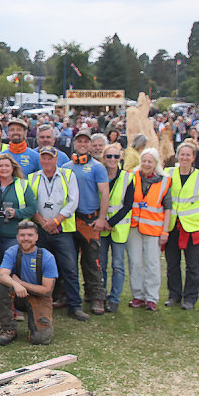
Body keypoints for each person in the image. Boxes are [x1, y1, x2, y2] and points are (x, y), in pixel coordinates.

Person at [28, 147, 86, 320]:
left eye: (50, 158)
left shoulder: (68, 175)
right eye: (43, 158)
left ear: (56, 159)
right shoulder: (33, 178)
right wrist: (42, 222)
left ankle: (74, 305)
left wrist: (56, 221)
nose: (46, 161)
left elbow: (73, 202)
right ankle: (38, 303)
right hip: (40, 230)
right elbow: (31, 203)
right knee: (38, 268)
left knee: (69, 268)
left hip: (61, 230)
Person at [61, 127, 109, 315]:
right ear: (74, 144)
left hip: (89, 221)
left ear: (90, 145)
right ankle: (67, 294)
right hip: (70, 220)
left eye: (85, 141)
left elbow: (104, 193)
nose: (82, 144)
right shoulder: (66, 167)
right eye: (79, 141)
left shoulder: (97, 167)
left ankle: (96, 296)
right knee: (68, 261)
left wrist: (101, 218)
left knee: (92, 262)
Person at [0, 221, 58, 346]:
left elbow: (47, 290)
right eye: (22, 235)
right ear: (17, 237)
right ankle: (8, 329)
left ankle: (36, 325)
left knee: (41, 340)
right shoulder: (12, 252)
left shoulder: (47, 257)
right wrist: (16, 285)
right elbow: (1, 276)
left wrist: (22, 283)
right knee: (1, 287)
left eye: (30, 235)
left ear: (37, 237)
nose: (26, 239)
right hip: (17, 294)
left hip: (39, 296)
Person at [127, 148, 171, 311]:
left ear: (155, 163)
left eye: (150, 161)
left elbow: (168, 208)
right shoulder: (132, 176)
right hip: (134, 227)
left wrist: (165, 231)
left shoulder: (164, 181)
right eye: (144, 160)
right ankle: (138, 295)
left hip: (154, 228)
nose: (146, 164)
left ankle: (151, 297)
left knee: (152, 263)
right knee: (135, 262)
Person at [164, 142, 199, 310]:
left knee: (192, 266)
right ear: (177, 156)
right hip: (172, 226)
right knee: (172, 264)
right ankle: (174, 295)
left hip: (193, 228)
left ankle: (190, 299)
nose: (185, 158)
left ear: (193, 158)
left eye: (188, 155)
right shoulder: (168, 173)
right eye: (182, 154)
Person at [98, 143, 133, 313]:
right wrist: (102, 221)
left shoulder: (128, 177)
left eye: (116, 156)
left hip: (118, 227)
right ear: (104, 158)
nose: (112, 160)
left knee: (118, 265)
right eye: (109, 156)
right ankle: (101, 295)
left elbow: (128, 205)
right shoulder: (99, 175)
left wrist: (110, 223)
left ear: (121, 158)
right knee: (101, 264)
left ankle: (114, 298)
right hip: (101, 225)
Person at [0, 154, 36, 275]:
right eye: (1, 166)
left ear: (13, 168)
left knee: (13, 268)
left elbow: (32, 208)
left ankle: (14, 292)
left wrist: (17, 213)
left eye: (7, 166)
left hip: (14, 235)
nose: (4, 169)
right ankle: (1, 293)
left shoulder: (22, 185)